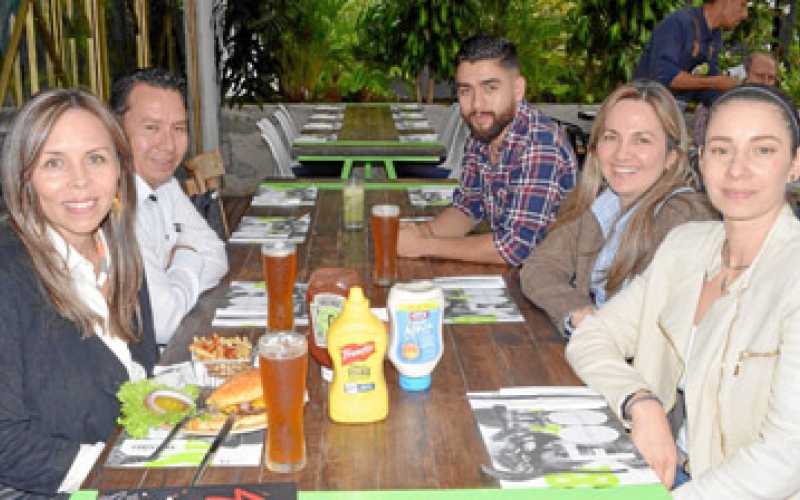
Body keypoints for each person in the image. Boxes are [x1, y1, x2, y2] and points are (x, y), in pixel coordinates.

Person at [565, 84, 800, 497]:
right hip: (664, 465)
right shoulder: (686, 246)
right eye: (722, 149)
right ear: (702, 160)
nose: (737, 169)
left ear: (795, 165)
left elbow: (785, 459)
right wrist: (641, 402)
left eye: (762, 150)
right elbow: (592, 336)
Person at [0, 89, 158, 496]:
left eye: (96, 158)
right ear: (23, 178)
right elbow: (6, 445)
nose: (80, 181)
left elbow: (143, 376)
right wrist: (121, 473)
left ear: (120, 170)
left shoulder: (120, 254)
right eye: (54, 163)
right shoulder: (9, 276)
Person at [520, 81, 716, 338]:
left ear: (672, 157)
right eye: (611, 137)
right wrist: (578, 312)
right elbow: (538, 268)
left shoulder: (683, 218)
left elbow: (647, 325)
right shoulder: (604, 203)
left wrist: (589, 324)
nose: (622, 154)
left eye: (642, 140)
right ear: (596, 148)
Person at [397, 35, 577, 265]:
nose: (477, 105)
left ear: (518, 89)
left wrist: (423, 246)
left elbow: (514, 248)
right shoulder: (482, 134)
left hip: (551, 286)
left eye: (490, 88)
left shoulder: (541, 143)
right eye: (465, 91)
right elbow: (468, 207)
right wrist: (422, 232)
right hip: (515, 278)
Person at [110, 68, 228, 344]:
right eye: (151, 128)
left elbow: (218, 254)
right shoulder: (112, 206)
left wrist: (172, 277)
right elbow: (162, 323)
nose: (168, 144)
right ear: (115, 130)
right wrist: (188, 256)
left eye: (178, 128)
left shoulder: (165, 185)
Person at [634, 0, 748, 108]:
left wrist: (737, 96)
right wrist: (714, 82)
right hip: (645, 105)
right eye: (742, 5)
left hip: (674, 111)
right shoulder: (679, 22)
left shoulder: (715, 36)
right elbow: (665, 76)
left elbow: (707, 89)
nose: (745, 15)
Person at [691, 50, 778, 149]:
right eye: (759, 76)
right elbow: (701, 144)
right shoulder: (715, 105)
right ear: (745, 74)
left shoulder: (780, 111)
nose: (765, 82)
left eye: (771, 78)